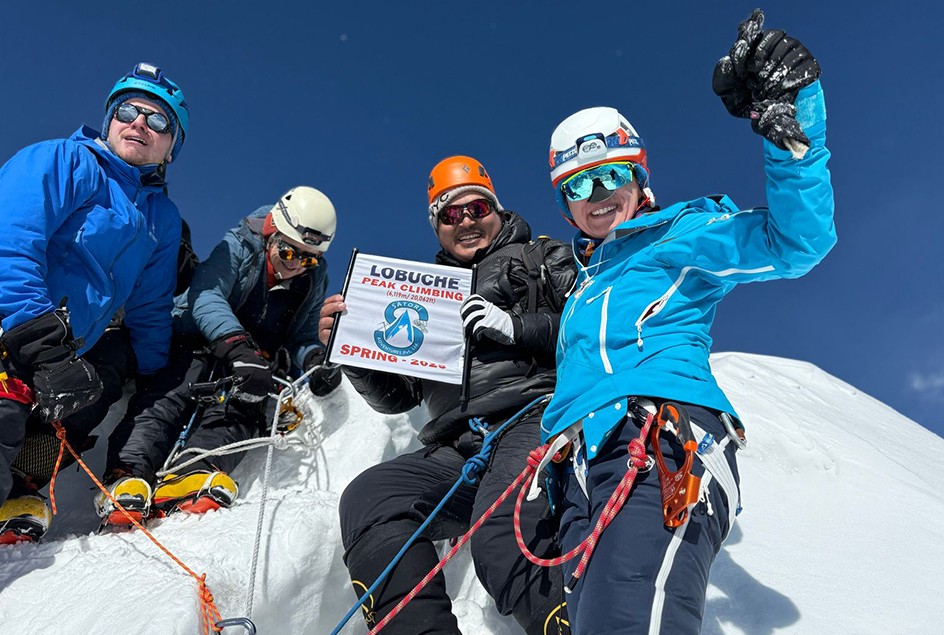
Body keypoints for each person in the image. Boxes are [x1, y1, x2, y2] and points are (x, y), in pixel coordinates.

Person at [531, 10, 835, 634]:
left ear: (641, 178)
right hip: (582, 473)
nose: (597, 195)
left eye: (611, 174)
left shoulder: (680, 235)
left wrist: (793, 124)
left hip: (662, 442)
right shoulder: (584, 287)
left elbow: (796, 242)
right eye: (577, 187)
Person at [321, 156, 577, 634]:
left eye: (476, 207)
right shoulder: (423, 294)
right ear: (436, 226)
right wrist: (351, 350)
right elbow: (397, 399)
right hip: (457, 445)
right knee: (371, 497)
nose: (465, 222)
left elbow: (594, 322)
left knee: (502, 535)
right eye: (449, 215)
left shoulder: (540, 257)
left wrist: (518, 328)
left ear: (496, 210)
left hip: (532, 416)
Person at [0, 62, 190, 544]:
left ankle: (28, 475)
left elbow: (149, 306)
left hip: (64, 353)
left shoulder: (160, 219)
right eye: (129, 110)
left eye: (159, 120)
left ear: (172, 146)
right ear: (109, 118)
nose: (140, 123)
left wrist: (155, 375)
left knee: (101, 376)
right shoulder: (62, 161)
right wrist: (37, 339)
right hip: (16, 334)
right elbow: (10, 240)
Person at [95, 186, 342, 526]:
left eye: (308, 258)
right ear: (272, 232)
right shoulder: (240, 245)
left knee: (248, 405)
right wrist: (237, 345)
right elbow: (206, 294)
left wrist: (314, 360)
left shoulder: (312, 279)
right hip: (197, 339)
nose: (296, 265)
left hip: (251, 357)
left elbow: (303, 335)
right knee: (170, 394)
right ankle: (128, 473)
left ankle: (196, 468)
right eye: (288, 253)